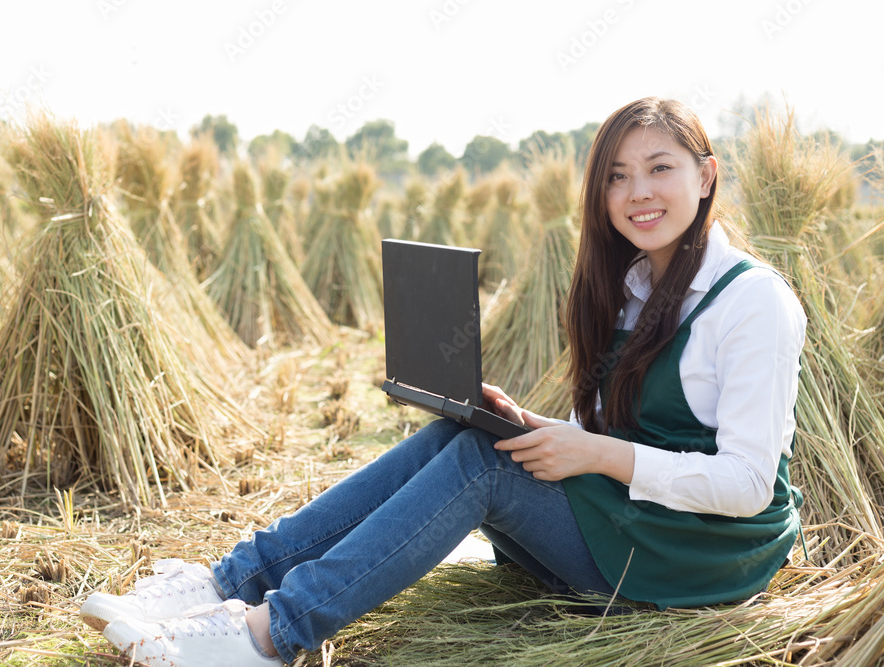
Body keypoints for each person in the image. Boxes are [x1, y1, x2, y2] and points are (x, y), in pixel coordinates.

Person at [80, 97, 806, 666]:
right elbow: (639, 436)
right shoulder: (637, 285)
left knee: (477, 465)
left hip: (694, 560)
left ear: (705, 176)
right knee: (467, 432)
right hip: (633, 522)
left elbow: (746, 484)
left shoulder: (753, 301)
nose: (636, 192)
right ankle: (227, 580)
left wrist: (593, 454)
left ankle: (268, 636)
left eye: (660, 168)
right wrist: (544, 429)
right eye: (616, 175)